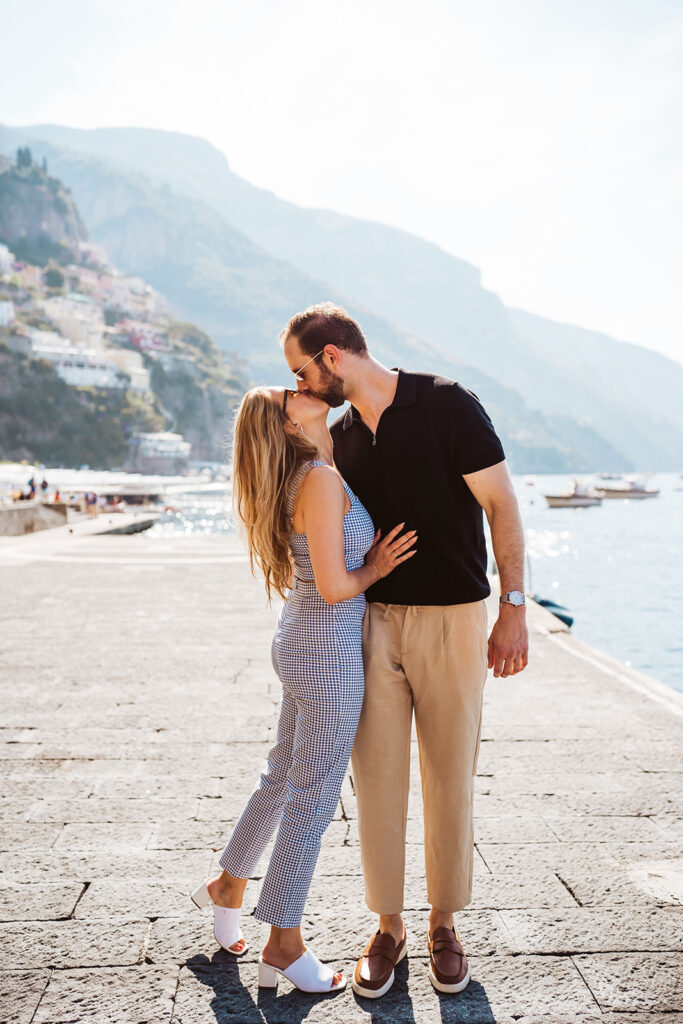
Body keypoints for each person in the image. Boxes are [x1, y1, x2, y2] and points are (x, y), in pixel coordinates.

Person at [280, 303, 529, 999]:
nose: (296, 384)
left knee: (449, 770)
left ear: (332, 356)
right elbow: (330, 509)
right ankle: (387, 926)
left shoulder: (448, 404)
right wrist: (311, 432)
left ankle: (443, 923)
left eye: (300, 369)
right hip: (371, 620)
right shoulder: (343, 435)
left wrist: (511, 610)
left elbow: (501, 506)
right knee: (377, 775)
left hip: (452, 618)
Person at [191, 385, 416, 995]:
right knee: (313, 798)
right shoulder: (316, 477)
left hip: (306, 642)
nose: (305, 387)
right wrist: (378, 567)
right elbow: (339, 586)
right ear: (289, 423)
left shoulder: (316, 472)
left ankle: (230, 883)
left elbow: (322, 569)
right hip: (325, 652)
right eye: (291, 391)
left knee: (282, 774)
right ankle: (284, 942)